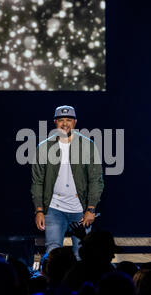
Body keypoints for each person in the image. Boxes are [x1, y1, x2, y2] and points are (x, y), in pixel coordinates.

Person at [31, 105, 104, 260]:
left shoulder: (87, 146)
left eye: (69, 120)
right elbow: (37, 181)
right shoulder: (44, 147)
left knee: (82, 254)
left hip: (80, 210)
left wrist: (91, 208)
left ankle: (80, 284)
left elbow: (96, 180)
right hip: (53, 208)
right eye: (61, 120)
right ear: (55, 122)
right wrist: (39, 210)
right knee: (53, 253)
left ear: (75, 122)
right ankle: (54, 284)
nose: (65, 124)